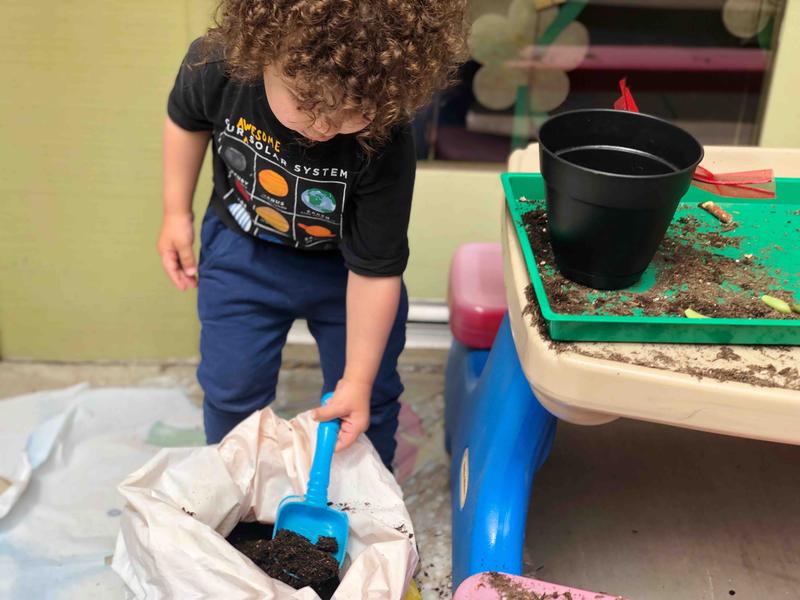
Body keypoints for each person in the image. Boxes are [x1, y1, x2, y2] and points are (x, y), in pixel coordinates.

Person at [157, 0, 467, 469]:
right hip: (242, 252)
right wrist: (175, 211)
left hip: (346, 274)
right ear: (262, 53)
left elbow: (376, 270)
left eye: (351, 112)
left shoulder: (386, 139)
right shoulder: (219, 64)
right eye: (305, 103)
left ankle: (364, 503)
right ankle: (236, 494)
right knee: (231, 391)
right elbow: (186, 119)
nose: (323, 127)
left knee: (369, 401)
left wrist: (357, 383)